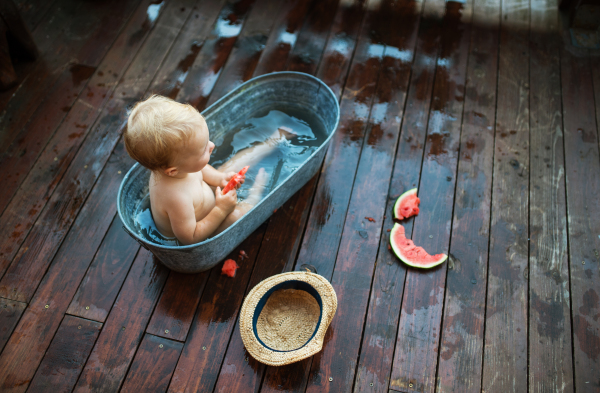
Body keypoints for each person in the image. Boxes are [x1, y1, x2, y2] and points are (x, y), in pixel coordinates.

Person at [124, 95, 290, 245]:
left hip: (208, 198)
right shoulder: (176, 198)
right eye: (203, 149)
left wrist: (221, 178)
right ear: (172, 171)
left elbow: (201, 170)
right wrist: (220, 210)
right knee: (237, 215)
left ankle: (269, 144)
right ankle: (256, 194)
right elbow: (190, 237)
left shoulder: (177, 166)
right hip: (205, 227)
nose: (212, 146)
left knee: (231, 167)